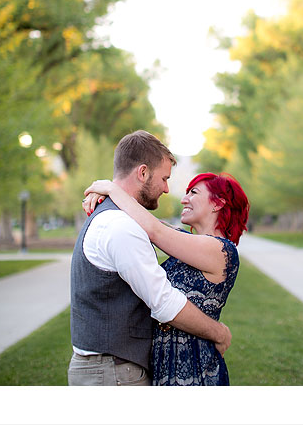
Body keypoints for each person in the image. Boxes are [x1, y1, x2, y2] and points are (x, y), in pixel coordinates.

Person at [68, 130, 232, 387]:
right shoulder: (122, 226)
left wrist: (111, 189)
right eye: (165, 178)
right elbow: (164, 302)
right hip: (113, 371)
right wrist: (219, 332)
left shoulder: (118, 218)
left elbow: (157, 229)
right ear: (143, 173)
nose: (169, 189)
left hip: (119, 368)